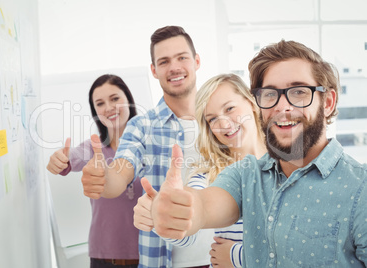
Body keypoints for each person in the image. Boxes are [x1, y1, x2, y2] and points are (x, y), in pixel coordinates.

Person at [150, 40, 367, 267]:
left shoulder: (361, 189)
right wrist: (178, 209)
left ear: (328, 102)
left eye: (299, 92)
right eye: (270, 94)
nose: (283, 107)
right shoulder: (245, 174)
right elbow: (203, 206)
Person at [81, 26, 213, 268]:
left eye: (182, 57)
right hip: (163, 261)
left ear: (196, 61)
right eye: (164, 61)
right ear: (154, 70)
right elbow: (120, 174)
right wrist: (104, 178)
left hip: (222, 259)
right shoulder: (141, 126)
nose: (174, 67)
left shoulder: (223, 121)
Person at [133, 73, 267, 267]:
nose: (223, 125)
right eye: (212, 119)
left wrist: (237, 257)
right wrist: (163, 214)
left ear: (252, 103)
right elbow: (188, 233)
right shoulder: (207, 176)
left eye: (229, 108)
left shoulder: (287, 165)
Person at [46, 74, 142, 268]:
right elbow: (73, 156)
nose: (108, 108)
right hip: (104, 259)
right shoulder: (94, 148)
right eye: (100, 103)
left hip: (150, 256)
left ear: (129, 101)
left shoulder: (151, 144)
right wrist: (61, 160)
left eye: (115, 99)